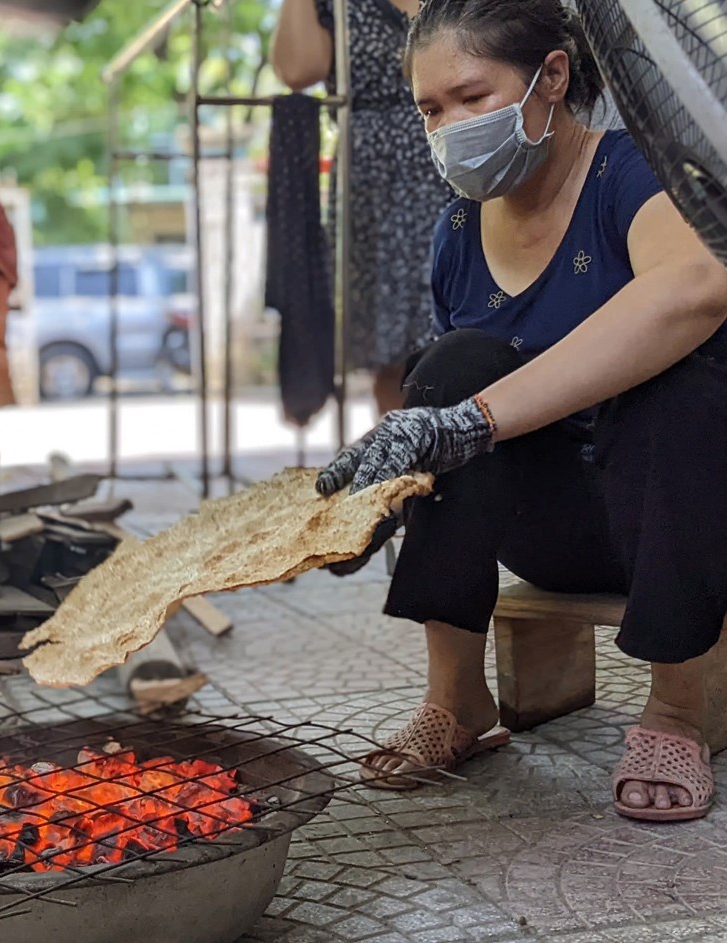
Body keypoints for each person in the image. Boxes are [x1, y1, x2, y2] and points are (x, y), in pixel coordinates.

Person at [316, 0, 727, 822]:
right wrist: (386, 480)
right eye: (432, 109)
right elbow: (455, 403)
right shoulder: (458, 230)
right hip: (553, 530)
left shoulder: (630, 173)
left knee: (679, 381)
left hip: (676, 514)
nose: (449, 126)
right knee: (449, 367)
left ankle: (679, 706)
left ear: (553, 76)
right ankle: (459, 700)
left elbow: (699, 288)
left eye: (471, 98)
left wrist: (474, 420)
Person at [271, 0, 452, 413]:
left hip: (458, 151)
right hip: (373, 181)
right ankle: (405, 469)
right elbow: (298, 70)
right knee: (394, 357)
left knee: (465, 330)